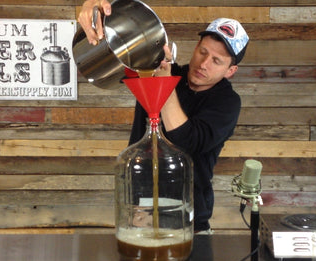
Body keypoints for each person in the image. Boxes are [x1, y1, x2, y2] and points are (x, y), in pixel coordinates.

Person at [78, 1, 249, 232]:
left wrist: (164, 83)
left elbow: (186, 141)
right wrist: (92, 14)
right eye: (203, 52)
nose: (203, 64)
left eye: (217, 61)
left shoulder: (227, 102)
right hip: (139, 209)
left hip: (188, 214)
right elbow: (110, 61)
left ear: (231, 71)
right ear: (196, 45)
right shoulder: (160, 68)